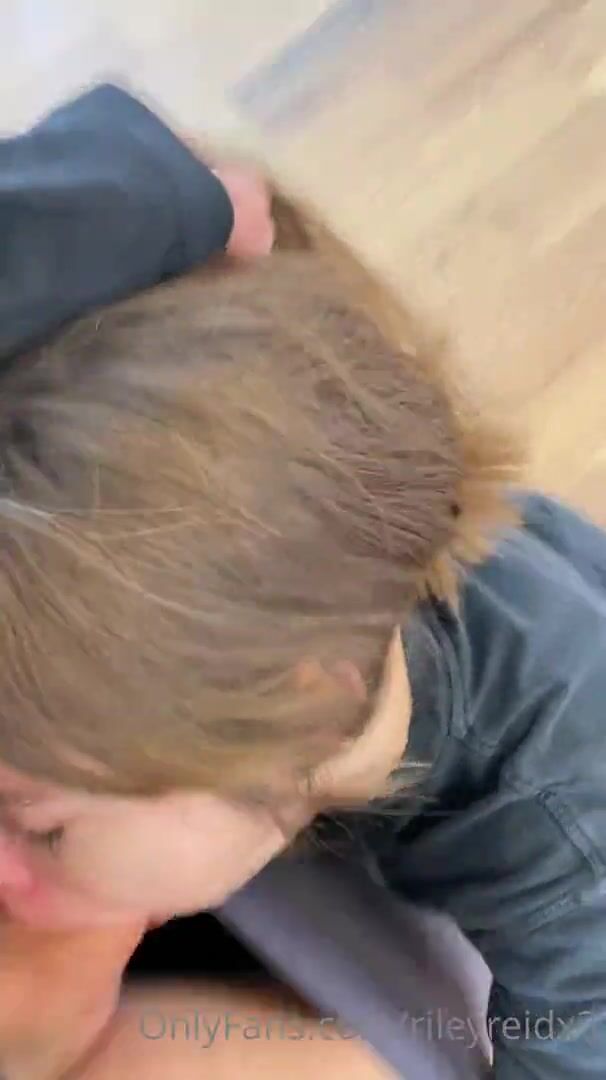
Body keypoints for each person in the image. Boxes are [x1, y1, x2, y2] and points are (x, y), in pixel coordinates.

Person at [1, 84, 605, 1080]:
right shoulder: (243, 666)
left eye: (38, 829)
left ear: (301, 708)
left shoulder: (564, 824)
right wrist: (153, 191)